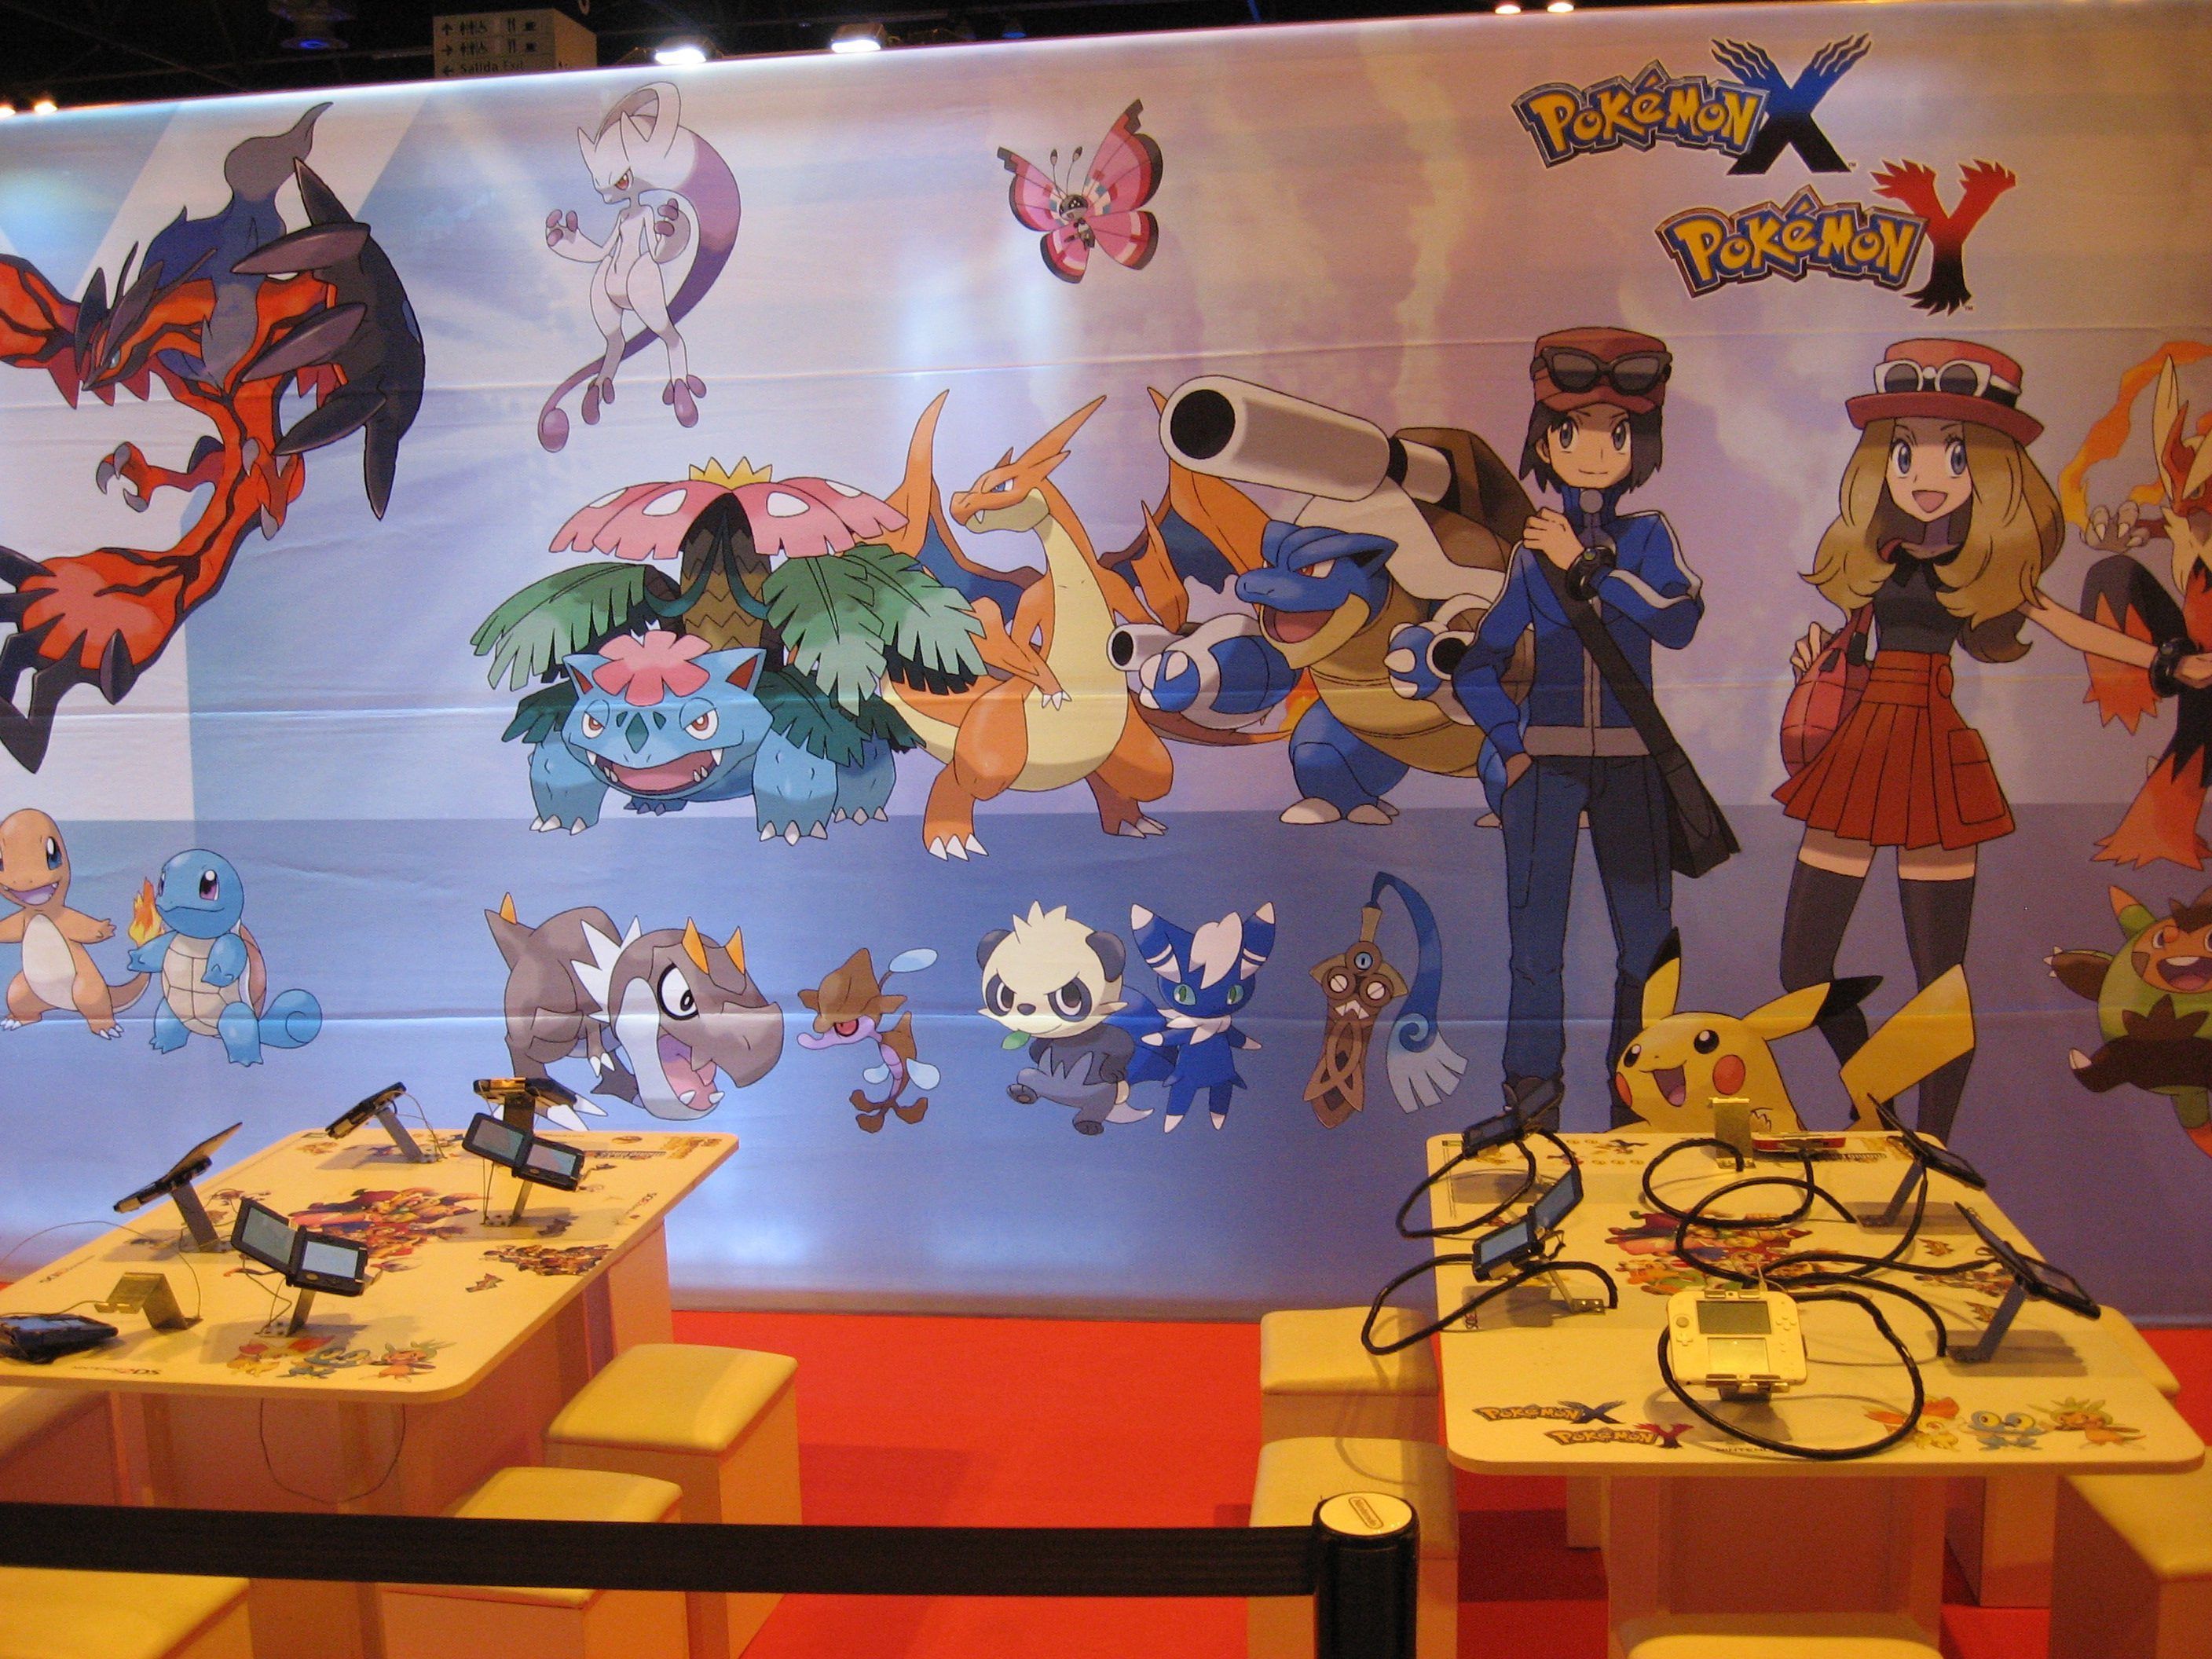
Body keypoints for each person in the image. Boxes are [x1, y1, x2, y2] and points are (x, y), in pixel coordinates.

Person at [1775, 338, 2212, 1141]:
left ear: (1993, 472)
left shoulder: (1988, 566)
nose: (1926, 473)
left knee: (1939, 981)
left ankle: (1933, 1140)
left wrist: (2167, 661)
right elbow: (1855, 644)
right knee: (1801, 966)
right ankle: (1874, 1099)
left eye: (1954, 455)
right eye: (1905, 452)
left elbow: (2069, 625)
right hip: (1859, 750)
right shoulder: (1874, 557)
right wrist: (1825, 663)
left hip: (1931, 752)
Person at [1454, 327, 1701, 1129]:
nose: (1594, 452)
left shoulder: (1647, 538)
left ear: (1639, 445)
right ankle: (1531, 1103)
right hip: (1547, 770)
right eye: (1572, 432)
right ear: (1545, 444)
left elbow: (1677, 622)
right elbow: (1477, 667)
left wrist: (1588, 568)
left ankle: (1638, 1097)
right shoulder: (1532, 557)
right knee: (1534, 948)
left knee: (1646, 946)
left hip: (1632, 767)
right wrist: (1512, 747)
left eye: (1616, 434)